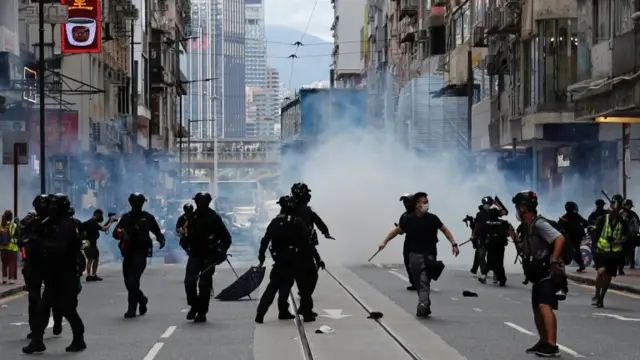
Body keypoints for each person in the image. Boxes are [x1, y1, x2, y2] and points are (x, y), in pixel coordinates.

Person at [378, 192, 459, 317]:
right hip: (414, 255)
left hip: (429, 255)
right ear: (416, 205)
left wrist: (454, 244)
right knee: (417, 282)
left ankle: (422, 304)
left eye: (427, 202)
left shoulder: (433, 218)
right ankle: (425, 302)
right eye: (423, 202)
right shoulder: (408, 219)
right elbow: (397, 231)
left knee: (424, 281)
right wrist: (384, 242)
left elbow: (445, 230)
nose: (426, 204)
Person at [23, 194, 86, 354]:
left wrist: (38, 241)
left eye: (53, 206)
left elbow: (59, 247)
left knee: (68, 309)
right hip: (53, 273)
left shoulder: (67, 226)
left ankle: (79, 339)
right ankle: (37, 341)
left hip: (66, 273)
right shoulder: (53, 223)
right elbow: (32, 234)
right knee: (44, 308)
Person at [512, 190, 566, 357]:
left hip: (549, 273)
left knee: (544, 306)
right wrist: (514, 237)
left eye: (518, 206)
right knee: (537, 308)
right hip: (538, 274)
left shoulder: (539, 224)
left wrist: (554, 260)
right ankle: (543, 341)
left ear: (523, 208)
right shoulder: (529, 227)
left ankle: (552, 345)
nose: (516, 210)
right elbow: (526, 251)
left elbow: (560, 239)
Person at [255, 195, 315, 323]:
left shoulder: (275, 222)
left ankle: (261, 314)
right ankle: (307, 314)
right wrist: (312, 258)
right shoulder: (297, 221)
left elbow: (265, 240)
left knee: (273, 288)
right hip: (296, 260)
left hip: (280, 261)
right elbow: (307, 243)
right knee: (303, 289)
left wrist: (261, 255)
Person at [112, 193, 165, 318]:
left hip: (141, 253)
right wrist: (120, 234)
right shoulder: (126, 218)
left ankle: (132, 308)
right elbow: (115, 233)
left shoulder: (147, 218)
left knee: (133, 280)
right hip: (128, 253)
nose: (136, 205)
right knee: (128, 282)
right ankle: (141, 299)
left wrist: (161, 240)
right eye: (134, 202)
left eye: (139, 203)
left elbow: (157, 232)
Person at [182, 192, 231, 323]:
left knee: (204, 284)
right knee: (189, 281)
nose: (201, 204)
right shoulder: (190, 217)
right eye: (199, 202)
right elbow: (184, 236)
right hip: (195, 255)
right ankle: (194, 305)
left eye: (203, 202)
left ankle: (202, 312)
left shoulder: (213, 217)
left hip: (209, 255)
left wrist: (221, 251)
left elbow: (226, 238)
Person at [290, 183, 330, 297]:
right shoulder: (304, 211)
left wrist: (325, 231)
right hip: (303, 249)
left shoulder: (289, 208)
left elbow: (317, 221)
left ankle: (298, 301)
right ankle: (304, 302)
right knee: (310, 275)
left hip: (293, 249)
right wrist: (325, 232)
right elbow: (317, 221)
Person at [590, 194, 629, 308]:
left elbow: (627, 235)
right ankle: (597, 294)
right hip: (602, 250)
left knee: (608, 276)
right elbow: (595, 231)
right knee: (601, 272)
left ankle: (601, 298)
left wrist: (620, 240)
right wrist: (595, 245)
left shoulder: (623, 221)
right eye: (614, 205)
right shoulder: (603, 218)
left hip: (615, 253)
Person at [479, 204, 516, 287]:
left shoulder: (487, 223)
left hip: (491, 245)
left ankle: (486, 275)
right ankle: (501, 279)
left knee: (490, 261)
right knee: (499, 262)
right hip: (500, 245)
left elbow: (483, 233)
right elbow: (511, 231)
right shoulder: (503, 223)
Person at [82, 209, 116, 282]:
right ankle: (92, 275)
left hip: (85, 243)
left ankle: (89, 275)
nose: (101, 217)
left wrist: (108, 221)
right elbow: (104, 229)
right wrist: (110, 223)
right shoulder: (93, 223)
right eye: (100, 215)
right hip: (91, 243)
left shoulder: (88, 222)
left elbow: (101, 227)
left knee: (90, 259)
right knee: (94, 259)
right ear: (97, 215)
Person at [558, 201, 588, 273]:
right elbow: (586, 222)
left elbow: (558, 226)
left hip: (574, 238)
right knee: (574, 252)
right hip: (573, 237)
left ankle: (581, 265)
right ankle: (581, 265)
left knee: (575, 252)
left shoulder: (566, 217)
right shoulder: (571, 216)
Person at [473, 196, 495, 282]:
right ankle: (484, 273)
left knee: (492, 257)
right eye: (486, 204)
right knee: (481, 256)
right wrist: (473, 235)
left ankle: (495, 274)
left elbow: (504, 212)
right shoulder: (480, 214)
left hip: (491, 237)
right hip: (481, 237)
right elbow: (476, 225)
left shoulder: (493, 213)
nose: (487, 206)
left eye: (488, 204)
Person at [399, 194, 416, 290]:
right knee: (407, 261)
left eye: (407, 201)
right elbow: (401, 231)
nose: (405, 204)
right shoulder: (404, 216)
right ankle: (414, 282)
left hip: (422, 241)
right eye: (404, 202)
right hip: (409, 241)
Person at [619, 199, 639, 274]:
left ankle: (630, 264)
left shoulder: (631, 214)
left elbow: (636, 224)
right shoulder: (622, 213)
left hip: (628, 235)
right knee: (624, 251)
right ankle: (622, 267)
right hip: (624, 235)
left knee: (629, 250)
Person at [0, 210, 19, 284]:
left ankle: (4, 279)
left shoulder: (1, 224)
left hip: (2, 248)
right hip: (12, 248)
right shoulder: (14, 225)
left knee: (4, 264)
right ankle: (11, 279)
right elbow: (17, 235)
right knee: (11, 263)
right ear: (11, 217)